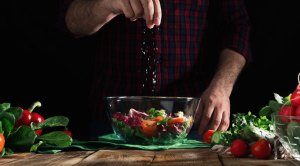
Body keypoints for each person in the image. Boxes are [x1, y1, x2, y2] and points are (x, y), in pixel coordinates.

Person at [61, 0, 251, 139]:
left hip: (191, 124)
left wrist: (222, 87)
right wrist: (106, 5)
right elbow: (71, 22)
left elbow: (237, 25)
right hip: (113, 127)